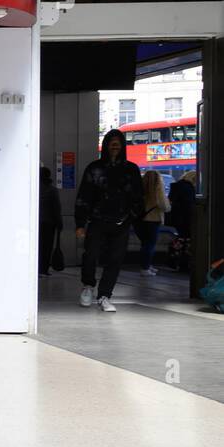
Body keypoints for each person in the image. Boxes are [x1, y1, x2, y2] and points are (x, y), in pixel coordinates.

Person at [74, 129, 144, 312]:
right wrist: (80, 223)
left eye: (118, 142)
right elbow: (84, 196)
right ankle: (88, 286)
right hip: (97, 220)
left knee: (115, 259)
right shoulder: (94, 168)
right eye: (111, 142)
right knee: (90, 255)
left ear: (122, 146)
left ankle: (105, 295)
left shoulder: (131, 169)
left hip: (122, 221)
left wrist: (134, 218)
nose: (115, 146)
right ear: (105, 145)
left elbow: (138, 197)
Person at [134, 169, 170, 276]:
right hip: (153, 221)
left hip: (138, 221)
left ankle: (146, 265)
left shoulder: (139, 191)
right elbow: (165, 207)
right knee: (149, 245)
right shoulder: (158, 192)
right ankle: (145, 268)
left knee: (145, 244)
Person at [39, 166, 62, 276]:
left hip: (36, 223)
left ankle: (36, 267)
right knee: (47, 246)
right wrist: (59, 222)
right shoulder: (52, 190)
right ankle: (44, 268)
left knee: (37, 245)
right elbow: (56, 207)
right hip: (49, 223)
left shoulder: (33, 188)